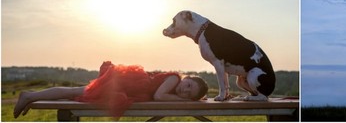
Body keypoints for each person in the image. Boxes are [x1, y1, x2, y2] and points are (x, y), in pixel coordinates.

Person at [13, 61, 208, 119]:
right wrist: (190, 101)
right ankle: (30, 95)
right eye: (189, 85)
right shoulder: (174, 78)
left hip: (130, 88)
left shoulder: (175, 87)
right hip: (127, 84)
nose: (185, 91)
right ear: (187, 77)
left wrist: (191, 99)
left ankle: (31, 96)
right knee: (78, 92)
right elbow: (158, 96)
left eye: (189, 93)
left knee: (77, 92)